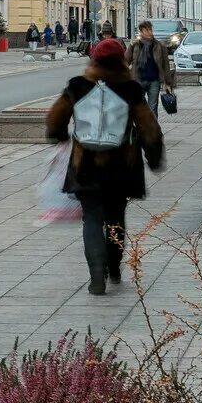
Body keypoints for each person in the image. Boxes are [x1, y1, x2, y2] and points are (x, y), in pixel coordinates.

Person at [46, 37, 164, 295]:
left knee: (91, 217)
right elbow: (149, 128)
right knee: (115, 218)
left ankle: (96, 276)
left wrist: (62, 138)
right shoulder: (131, 89)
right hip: (121, 167)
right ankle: (114, 267)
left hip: (85, 164)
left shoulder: (77, 86)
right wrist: (153, 157)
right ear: (122, 60)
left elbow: (55, 120)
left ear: (94, 59)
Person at [128, 19, 174, 118]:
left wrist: (167, 83)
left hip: (154, 81)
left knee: (153, 108)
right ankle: (141, 130)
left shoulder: (159, 45)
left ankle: (153, 131)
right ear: (141, 32)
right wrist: (130, 45)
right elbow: (126, 60)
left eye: (150, 30)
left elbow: (165, 65)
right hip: (138, 81)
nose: (149, 32)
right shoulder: (136, 45)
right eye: (146, 30)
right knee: (138, 107)